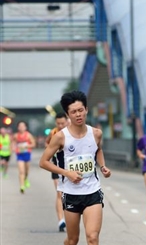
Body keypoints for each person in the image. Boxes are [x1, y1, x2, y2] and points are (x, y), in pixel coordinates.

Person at [39, 90, 111, 245]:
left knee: (92, 237)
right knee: (73, 240)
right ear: (67, 114)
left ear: (86, 110)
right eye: (73, 112)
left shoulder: (96, 133)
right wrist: (66, 173)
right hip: (70, 193)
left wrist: (103, 166)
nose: (78, 114)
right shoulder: (60, 137)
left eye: (80, 110)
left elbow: (98, 149)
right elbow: (43, 161)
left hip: (92, 191)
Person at [45, 112, 69, 232]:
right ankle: (61, 221)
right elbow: (47, 143)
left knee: (68, 194)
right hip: (56, 166)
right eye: (58, 123)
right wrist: (51, 150)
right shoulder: (53, 133)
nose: (60, 125)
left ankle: (71, 218)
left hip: (69, 167)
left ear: (67, 121)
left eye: (62, 123)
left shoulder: (71, 131)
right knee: (59, 193)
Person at [12, 121, 36, 194]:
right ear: (18, 127)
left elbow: (33, 144)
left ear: (25, 127)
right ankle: (22, 186)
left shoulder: (28, 135)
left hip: (27, 154)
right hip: (20, 155)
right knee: (21, 171)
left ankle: (26, 179)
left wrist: (26, 146)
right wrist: (13, 148)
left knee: (26, 170)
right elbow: (13, 143)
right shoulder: (16, 135)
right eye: (20, 126)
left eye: (23, 126)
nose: (21, 128)